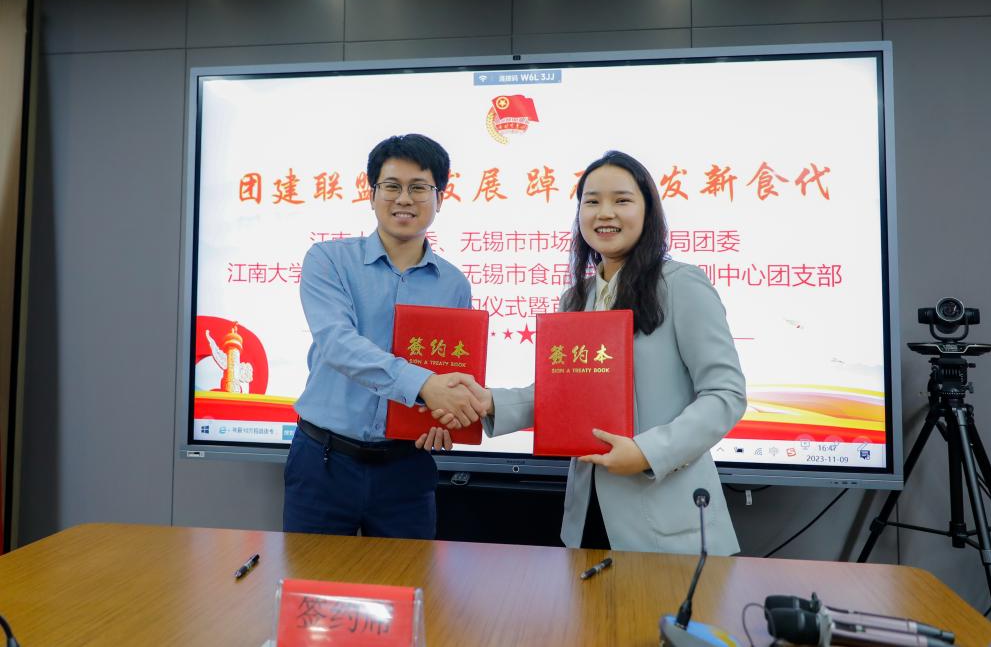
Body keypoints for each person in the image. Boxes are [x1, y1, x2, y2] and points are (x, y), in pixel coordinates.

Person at [439, 150, 747, 555]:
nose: (605, 213)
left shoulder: (681, 285)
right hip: (587, 516)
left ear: (648, 210)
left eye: (621, 200)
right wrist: (490, 401)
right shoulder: (576, 298)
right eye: (592, 201)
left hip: (667, 524)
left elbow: (725, 394)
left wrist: (647, 452)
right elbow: (564, 394)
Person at [284, 133, 482, 539]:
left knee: (406, 578)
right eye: (392, 186)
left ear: (440, 198)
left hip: (406, 468)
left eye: (419, 188)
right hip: (324, 461)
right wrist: (424, 386)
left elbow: (451, 373)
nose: (404, 199)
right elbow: (337, 343)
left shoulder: (454, 285)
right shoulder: (328, 260)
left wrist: (445, 419)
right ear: (371, 193)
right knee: (311, 579)